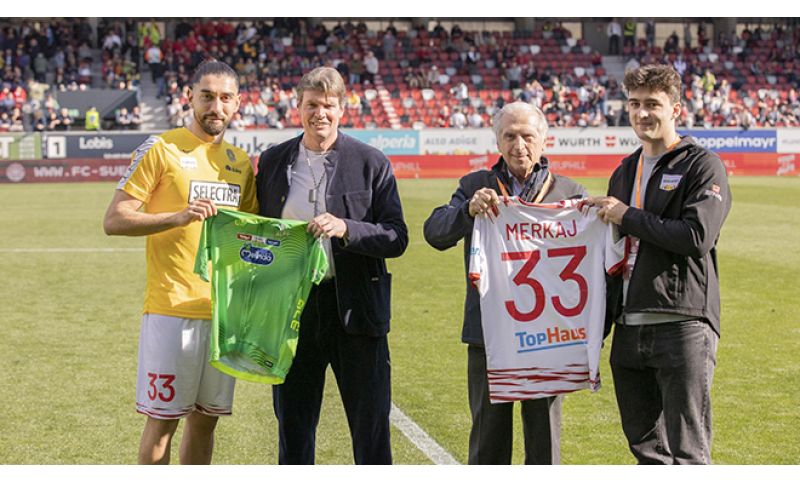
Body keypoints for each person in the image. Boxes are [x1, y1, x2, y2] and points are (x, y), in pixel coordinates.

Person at [102, 60, 258, 465]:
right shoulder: (161, 148)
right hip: (171, 311)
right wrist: (178, 217)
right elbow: (114, 220)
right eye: (207, 96)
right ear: (189, 97)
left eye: (225, 98)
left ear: (237, 103)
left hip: (222, 316)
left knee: (206, 422)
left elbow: (250, 234)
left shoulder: (241, 162)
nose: (216, 107)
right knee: (162, 422)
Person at [255, 66, 408, 465]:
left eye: (327, 105)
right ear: (298, 107)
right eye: (311, 105)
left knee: (371, 429)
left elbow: (397, 237)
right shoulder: (273, 161)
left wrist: (346, 228)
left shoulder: (371, 162)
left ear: (342, 109)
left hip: (357, 310)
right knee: (293, 427)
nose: (319, 113)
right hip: (292, 311)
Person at [423, 102, 586, 465]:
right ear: (497, 141)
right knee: (488, 442)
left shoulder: (570, 193)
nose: (519, 145)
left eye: (527, 136)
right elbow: (434, 232)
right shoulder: (475, 186)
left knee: (544, 444)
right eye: (509, 136)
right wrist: (467, 211)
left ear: (543, 139)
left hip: (546, 336)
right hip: (489, 333)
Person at [584, 65, 731, 464]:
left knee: (688, 452)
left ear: (676, 109)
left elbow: (696, 237)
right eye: (634, 104)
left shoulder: (702, 165)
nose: (642, 113)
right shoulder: (624, 171)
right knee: (647, 453)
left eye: (652, 104)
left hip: (681, 324)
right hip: (629, 328)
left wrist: (627, 215)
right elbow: (612, 255)